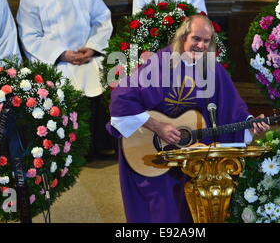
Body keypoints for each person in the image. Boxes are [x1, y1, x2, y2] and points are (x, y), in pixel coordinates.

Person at [106, 14, 269, 222]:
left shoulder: (213, 70)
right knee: (163, 213)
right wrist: (157, 126)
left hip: (194, 157)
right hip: (153, 152)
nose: (200, 45)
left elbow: (231, 109)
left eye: (206, 41)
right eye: (196, 39)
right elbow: (121, 97)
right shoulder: (159, 64)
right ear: (183, 37)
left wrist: (251, 124)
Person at [16, 0, 116, 158]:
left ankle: (99, 146)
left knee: (97, 94)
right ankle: (72, 151)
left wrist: (91, 47)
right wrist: (62, 54)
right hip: (58, 60)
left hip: (87, 54)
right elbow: (30, 36)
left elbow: (101, 17)